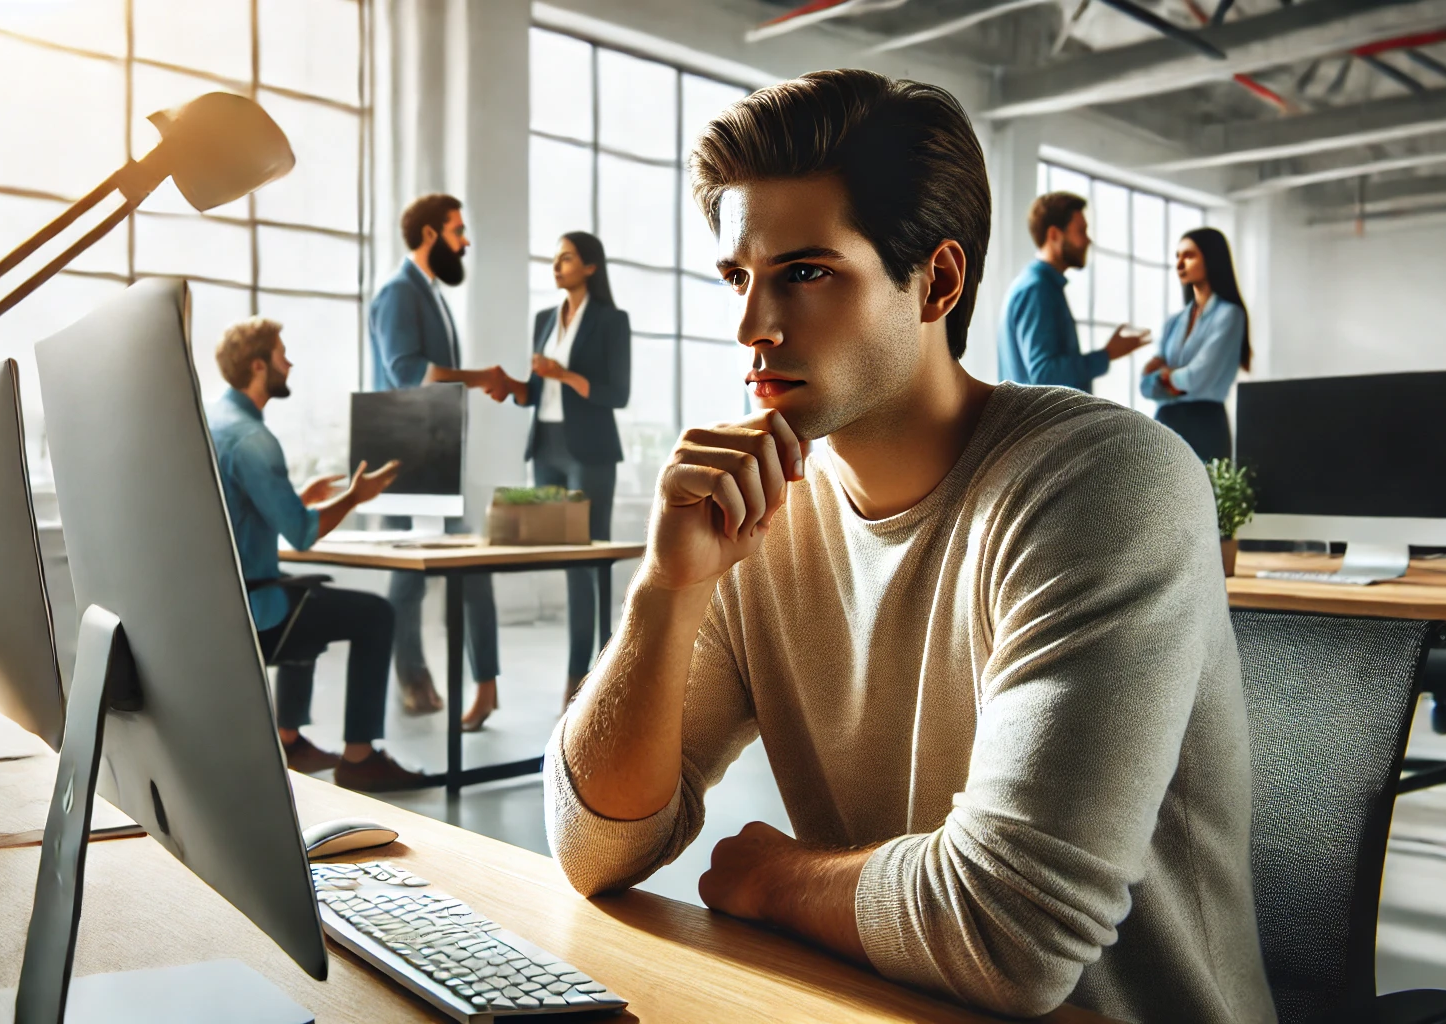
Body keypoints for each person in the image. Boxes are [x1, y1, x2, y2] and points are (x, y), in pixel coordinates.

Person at [545, 70, 1273, 1023]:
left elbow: (1010, 936)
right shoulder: (761, 510)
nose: (751, 328)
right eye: (739, 277)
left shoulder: (1103, 483)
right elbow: (594, 848)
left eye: (805, 273)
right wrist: (664, 590)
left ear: (936, 281)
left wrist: (775, 881)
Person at [208, 318, 433, 792]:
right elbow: (304, 534)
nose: (288, 363)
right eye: (281, 354)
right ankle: (360, 756)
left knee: (307, 591)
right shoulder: (253, 439)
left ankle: (289, 739)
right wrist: (356, 496)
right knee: (375, 613)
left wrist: (299, 498)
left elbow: (247, 511)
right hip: (255, 614)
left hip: (220, 599)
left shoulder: (214, 424)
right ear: (258, 365)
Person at [368, 193, 509, 723]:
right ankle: (414, 679)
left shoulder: (426, 293)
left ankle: (483, 684)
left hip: (435, 452)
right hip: (404, 460)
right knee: (409, 578)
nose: (465, 241)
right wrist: (481, 377)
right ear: (430, 235)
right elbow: (408, 373)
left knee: (471, 568)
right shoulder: (397, 293)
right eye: (457, 231)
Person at [482, 232, 631, 723]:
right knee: (561, 561)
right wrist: (514, 387)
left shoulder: (612, 321)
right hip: (545, 447)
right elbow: (536, 393)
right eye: (554, 259)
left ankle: (587, 678)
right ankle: (577, 677)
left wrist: (560, 373)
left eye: (565, 258)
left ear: (590, 266)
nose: (556, 266)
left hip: (589, 451)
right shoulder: (545, 320)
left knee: (588, 564)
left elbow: (616, 394)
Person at [997, 191, 1149, 391]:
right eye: (1081, 231)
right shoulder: (1038, 289)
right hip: (1044, 422)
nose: (1088, 241)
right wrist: (1107, 355)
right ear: (1054, 235)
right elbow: (1044, 373)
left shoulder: (1038, 285)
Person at [1141, 227, 1251, 464]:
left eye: (1189, 256)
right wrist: (1168, 378)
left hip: (1204, 425)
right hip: (1165, 424)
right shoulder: (1174, 321)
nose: (1180, 264)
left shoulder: (1229, 315)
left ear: (1211, 259)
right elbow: (1145, 386)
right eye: (1177, 256)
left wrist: (1163, 376)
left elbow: (1199, 376)